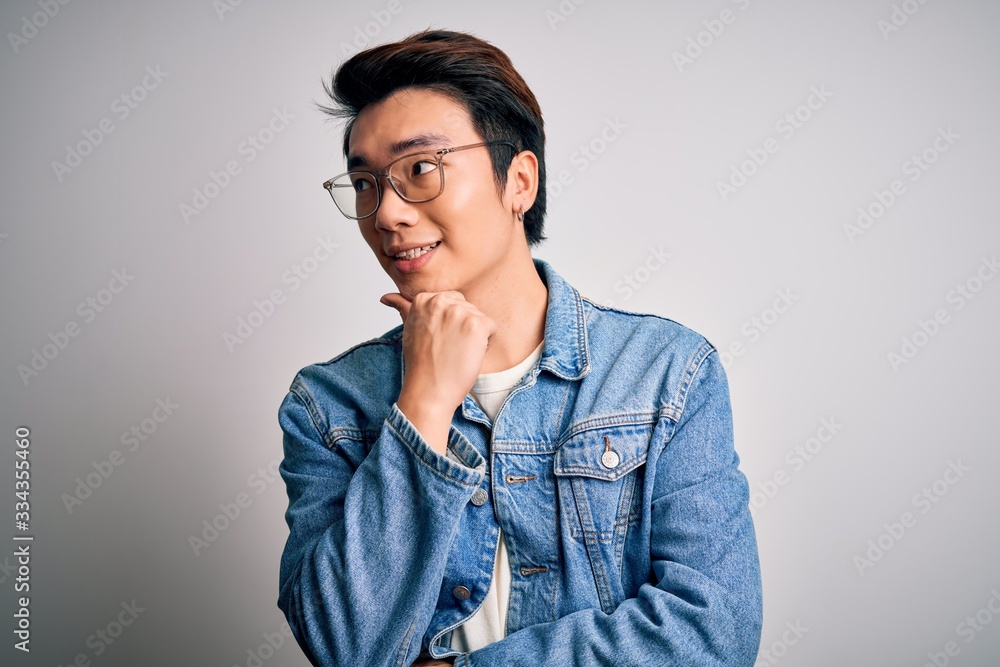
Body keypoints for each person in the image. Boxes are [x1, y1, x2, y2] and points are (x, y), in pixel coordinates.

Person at [276, 29, 762, 667]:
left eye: (420, 169)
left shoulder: (666, 373)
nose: (386, 213)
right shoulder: (330, 405)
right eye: (365, 183)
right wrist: (422, 404)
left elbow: (713, 633)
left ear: (519, 182)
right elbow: (343, 645)